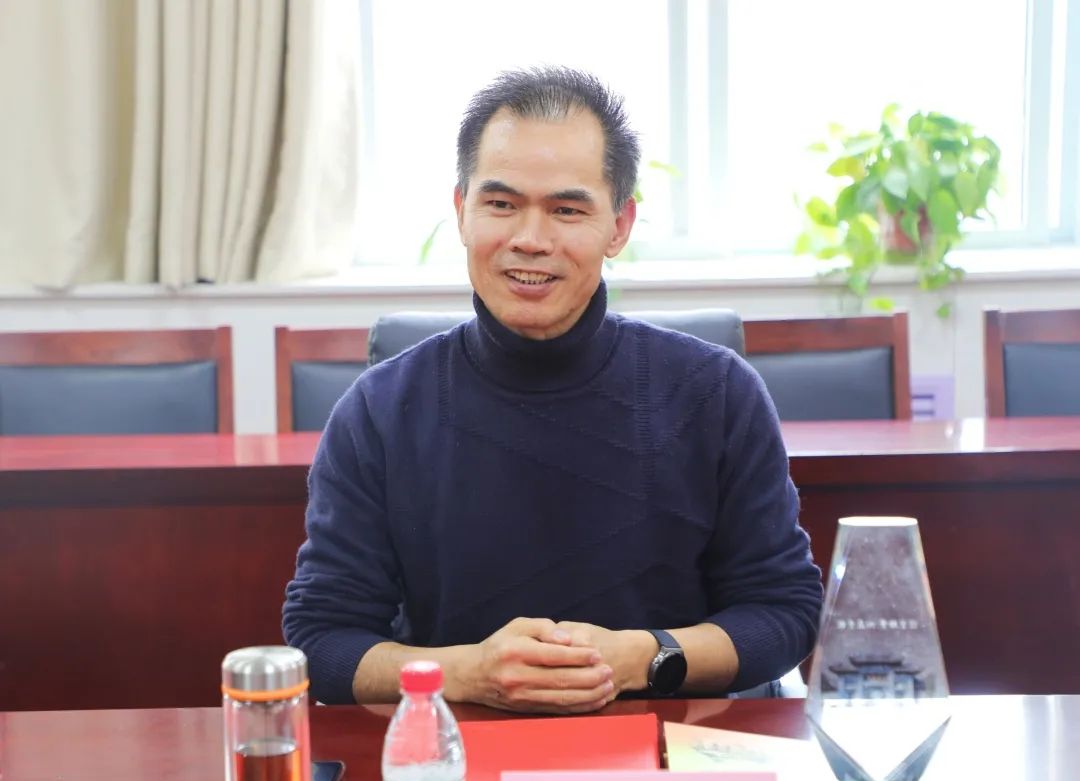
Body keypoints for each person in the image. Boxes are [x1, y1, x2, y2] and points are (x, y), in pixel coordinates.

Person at [283, 66, 822, 712]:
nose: (530, 240)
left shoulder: (716, 393)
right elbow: (323, 638)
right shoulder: (379, 410)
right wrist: (468, 673)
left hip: (667, 747)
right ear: (461, 212)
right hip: (455, 749)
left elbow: (783, 611)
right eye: (501, 204)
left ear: (619, 225)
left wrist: (641, 658)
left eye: (567, 210)